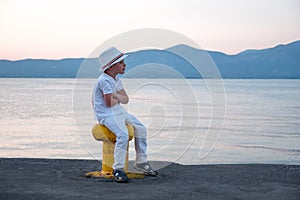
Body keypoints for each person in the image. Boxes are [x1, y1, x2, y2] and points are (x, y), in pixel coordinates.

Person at [92, 47, 158, 183]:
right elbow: (109, 103)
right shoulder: (104, 81)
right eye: (121, 62)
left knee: (141, 128)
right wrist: (117, 96)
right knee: (122, 134)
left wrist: (115, 95)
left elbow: (126, 99)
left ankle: (141, 161)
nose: (124, 65)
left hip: (118, 111)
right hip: (106, 115)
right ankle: (118, 168)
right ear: (110, 67)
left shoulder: (116, 80)